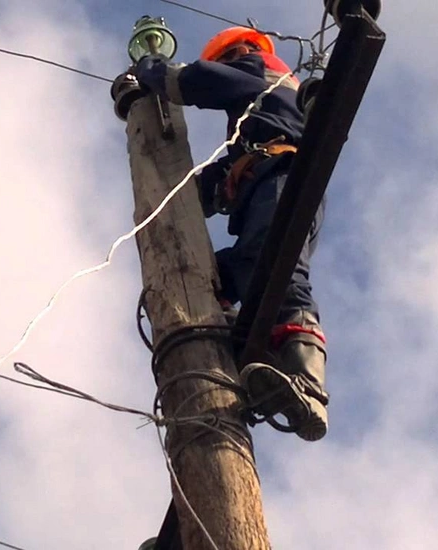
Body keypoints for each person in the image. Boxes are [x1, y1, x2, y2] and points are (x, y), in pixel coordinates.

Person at [134, 27, 329, 441]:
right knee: (225, 272)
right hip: (268, 185)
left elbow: (196, 82)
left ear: (241, 51)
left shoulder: (262, 72)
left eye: (227, 60)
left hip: (281, 180)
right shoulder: (260, 121)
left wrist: (150, 70)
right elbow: (224, 177)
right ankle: (256, 360)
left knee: (275, 263)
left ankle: (307, 381)